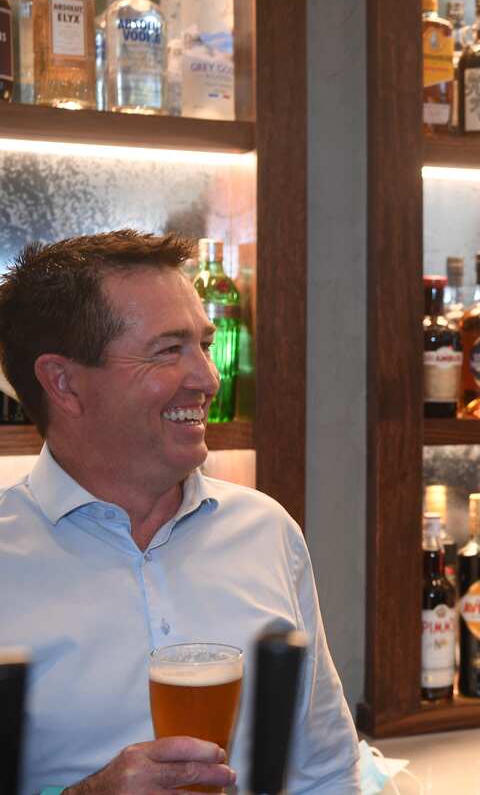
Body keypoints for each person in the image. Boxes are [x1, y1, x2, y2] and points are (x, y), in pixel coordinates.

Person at [0, 231, 360, 793]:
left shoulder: (267, 530)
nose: (209, 379)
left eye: (205, 345)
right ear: (63, 383)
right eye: (168, 351)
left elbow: (327, 771)